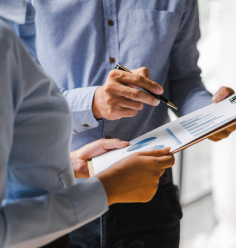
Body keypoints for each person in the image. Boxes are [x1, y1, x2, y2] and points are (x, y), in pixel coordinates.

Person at [31, 0, 236, 247]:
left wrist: (210, 114)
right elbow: (18, 101)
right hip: (60, 192)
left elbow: (184, 78)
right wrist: (93, 103)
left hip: (151, 193)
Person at [0, 2, 175, 247]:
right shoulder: (5, 38)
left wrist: (67, 166)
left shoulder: (13, 31)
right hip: (72, 210)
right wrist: (107, 189)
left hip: (123, 189)